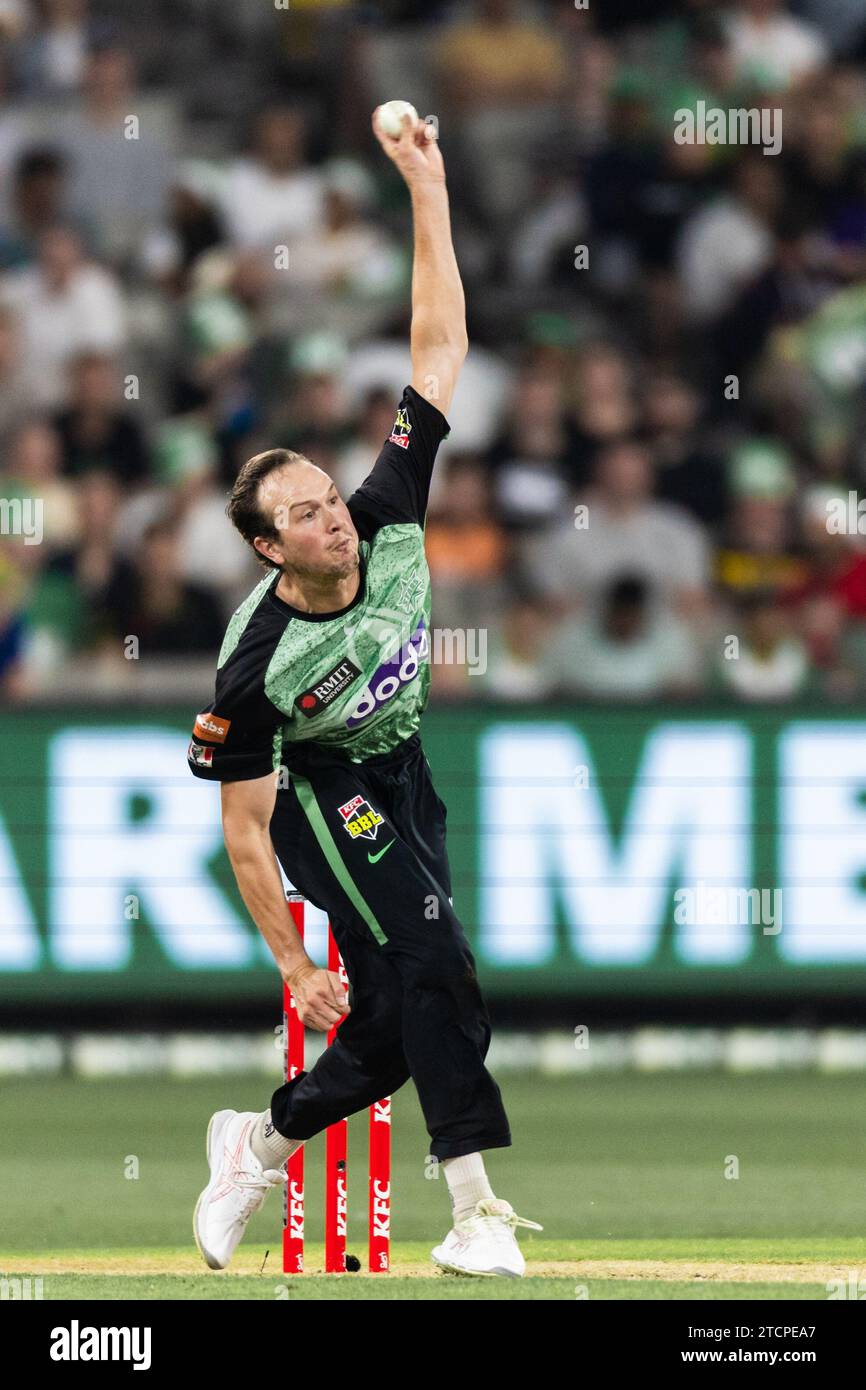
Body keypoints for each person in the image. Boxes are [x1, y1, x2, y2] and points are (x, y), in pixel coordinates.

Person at [188, 108, 540, 1278]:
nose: (330, 512)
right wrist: (292, 962)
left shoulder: (386, 512)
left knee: (393, 1025)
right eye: (298, 513)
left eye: (325, 494)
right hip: (320, 793)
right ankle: (478, 1211)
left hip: (403, 765)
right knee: (440, 957)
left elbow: (436, 348)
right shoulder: (256, 661)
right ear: (264, 551)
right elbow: (242, 830)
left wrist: (424, 186)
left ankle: (258, 1139)